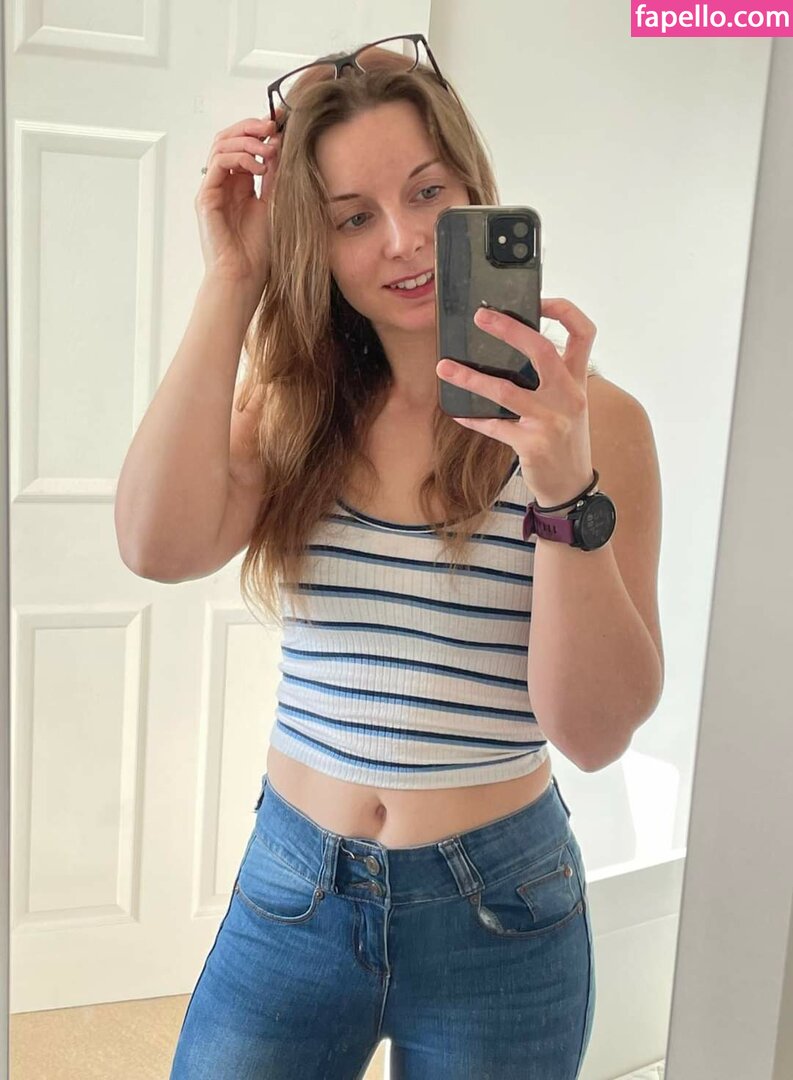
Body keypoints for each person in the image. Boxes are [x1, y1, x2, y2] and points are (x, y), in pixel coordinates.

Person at [117, 32, 663, 1080]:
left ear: (473, 190)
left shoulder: (599, 427)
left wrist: (561, 484)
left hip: (502, 909)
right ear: (314, 244)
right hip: (295, 890)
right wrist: (232, 279)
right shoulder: (292, 406)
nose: (406, 242)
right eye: (352, 218)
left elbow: (593, 733)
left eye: (426, 192)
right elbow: (155, 545)